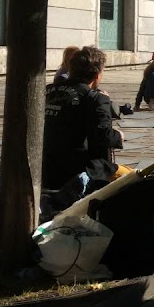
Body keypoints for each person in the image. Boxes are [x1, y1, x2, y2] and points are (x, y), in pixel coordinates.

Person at [42, 46, 125, 221]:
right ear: (97, 76)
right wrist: (118, 136)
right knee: (130, 179)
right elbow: (103, 136)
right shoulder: (96, 98)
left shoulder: (47, 91)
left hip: (43, 168)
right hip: (77, 172)